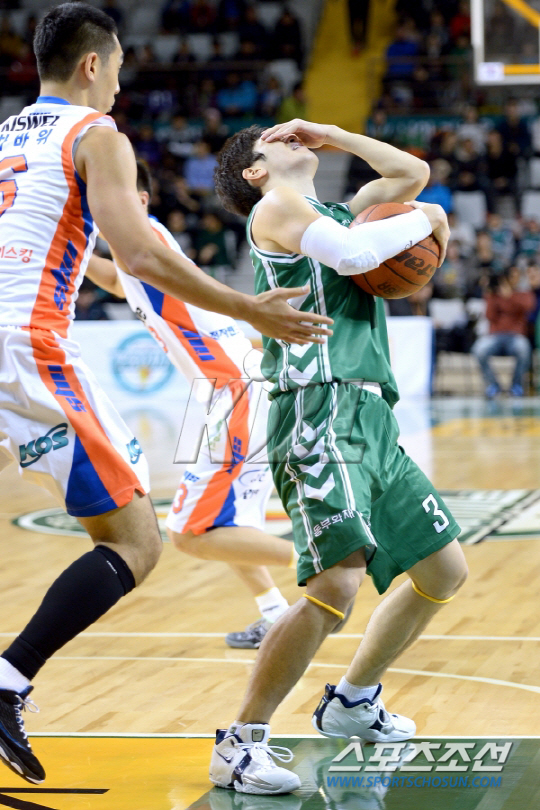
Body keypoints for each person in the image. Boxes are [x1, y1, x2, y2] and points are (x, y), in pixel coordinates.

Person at [0, 3, 332, 785]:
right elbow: (140, 258)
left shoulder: (8, 138)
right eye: (118, 67)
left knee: (189, 527)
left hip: (48, 347)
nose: (120, 83)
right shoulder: (96, 134)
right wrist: (249, 307)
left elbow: (108, 263)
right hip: (32, 344)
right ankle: (8, 679)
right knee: (140, 541)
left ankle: (277, 599)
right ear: (92, 64)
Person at [209, 119, 467, 794]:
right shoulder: (275, 208)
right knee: (335, 588)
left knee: (444, 569)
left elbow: (413, 175)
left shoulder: (337, 212)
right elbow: (354, 258)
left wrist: (333, 134)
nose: (294, 139)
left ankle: (353, 700)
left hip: (371, 413)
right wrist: (429, 221)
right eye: (278, 139)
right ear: (255, 171)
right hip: (318, 407)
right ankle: (240, 742)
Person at [471, 270, 535, 398]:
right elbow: (489, 316)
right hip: (496, 336)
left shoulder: (523, 293)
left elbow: (529, 307)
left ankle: (516, 385)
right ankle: (493, 385)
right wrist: (490, 296)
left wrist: (510, 296)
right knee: (479, 349)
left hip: (516, 336)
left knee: (523, 348)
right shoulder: (494, 295)